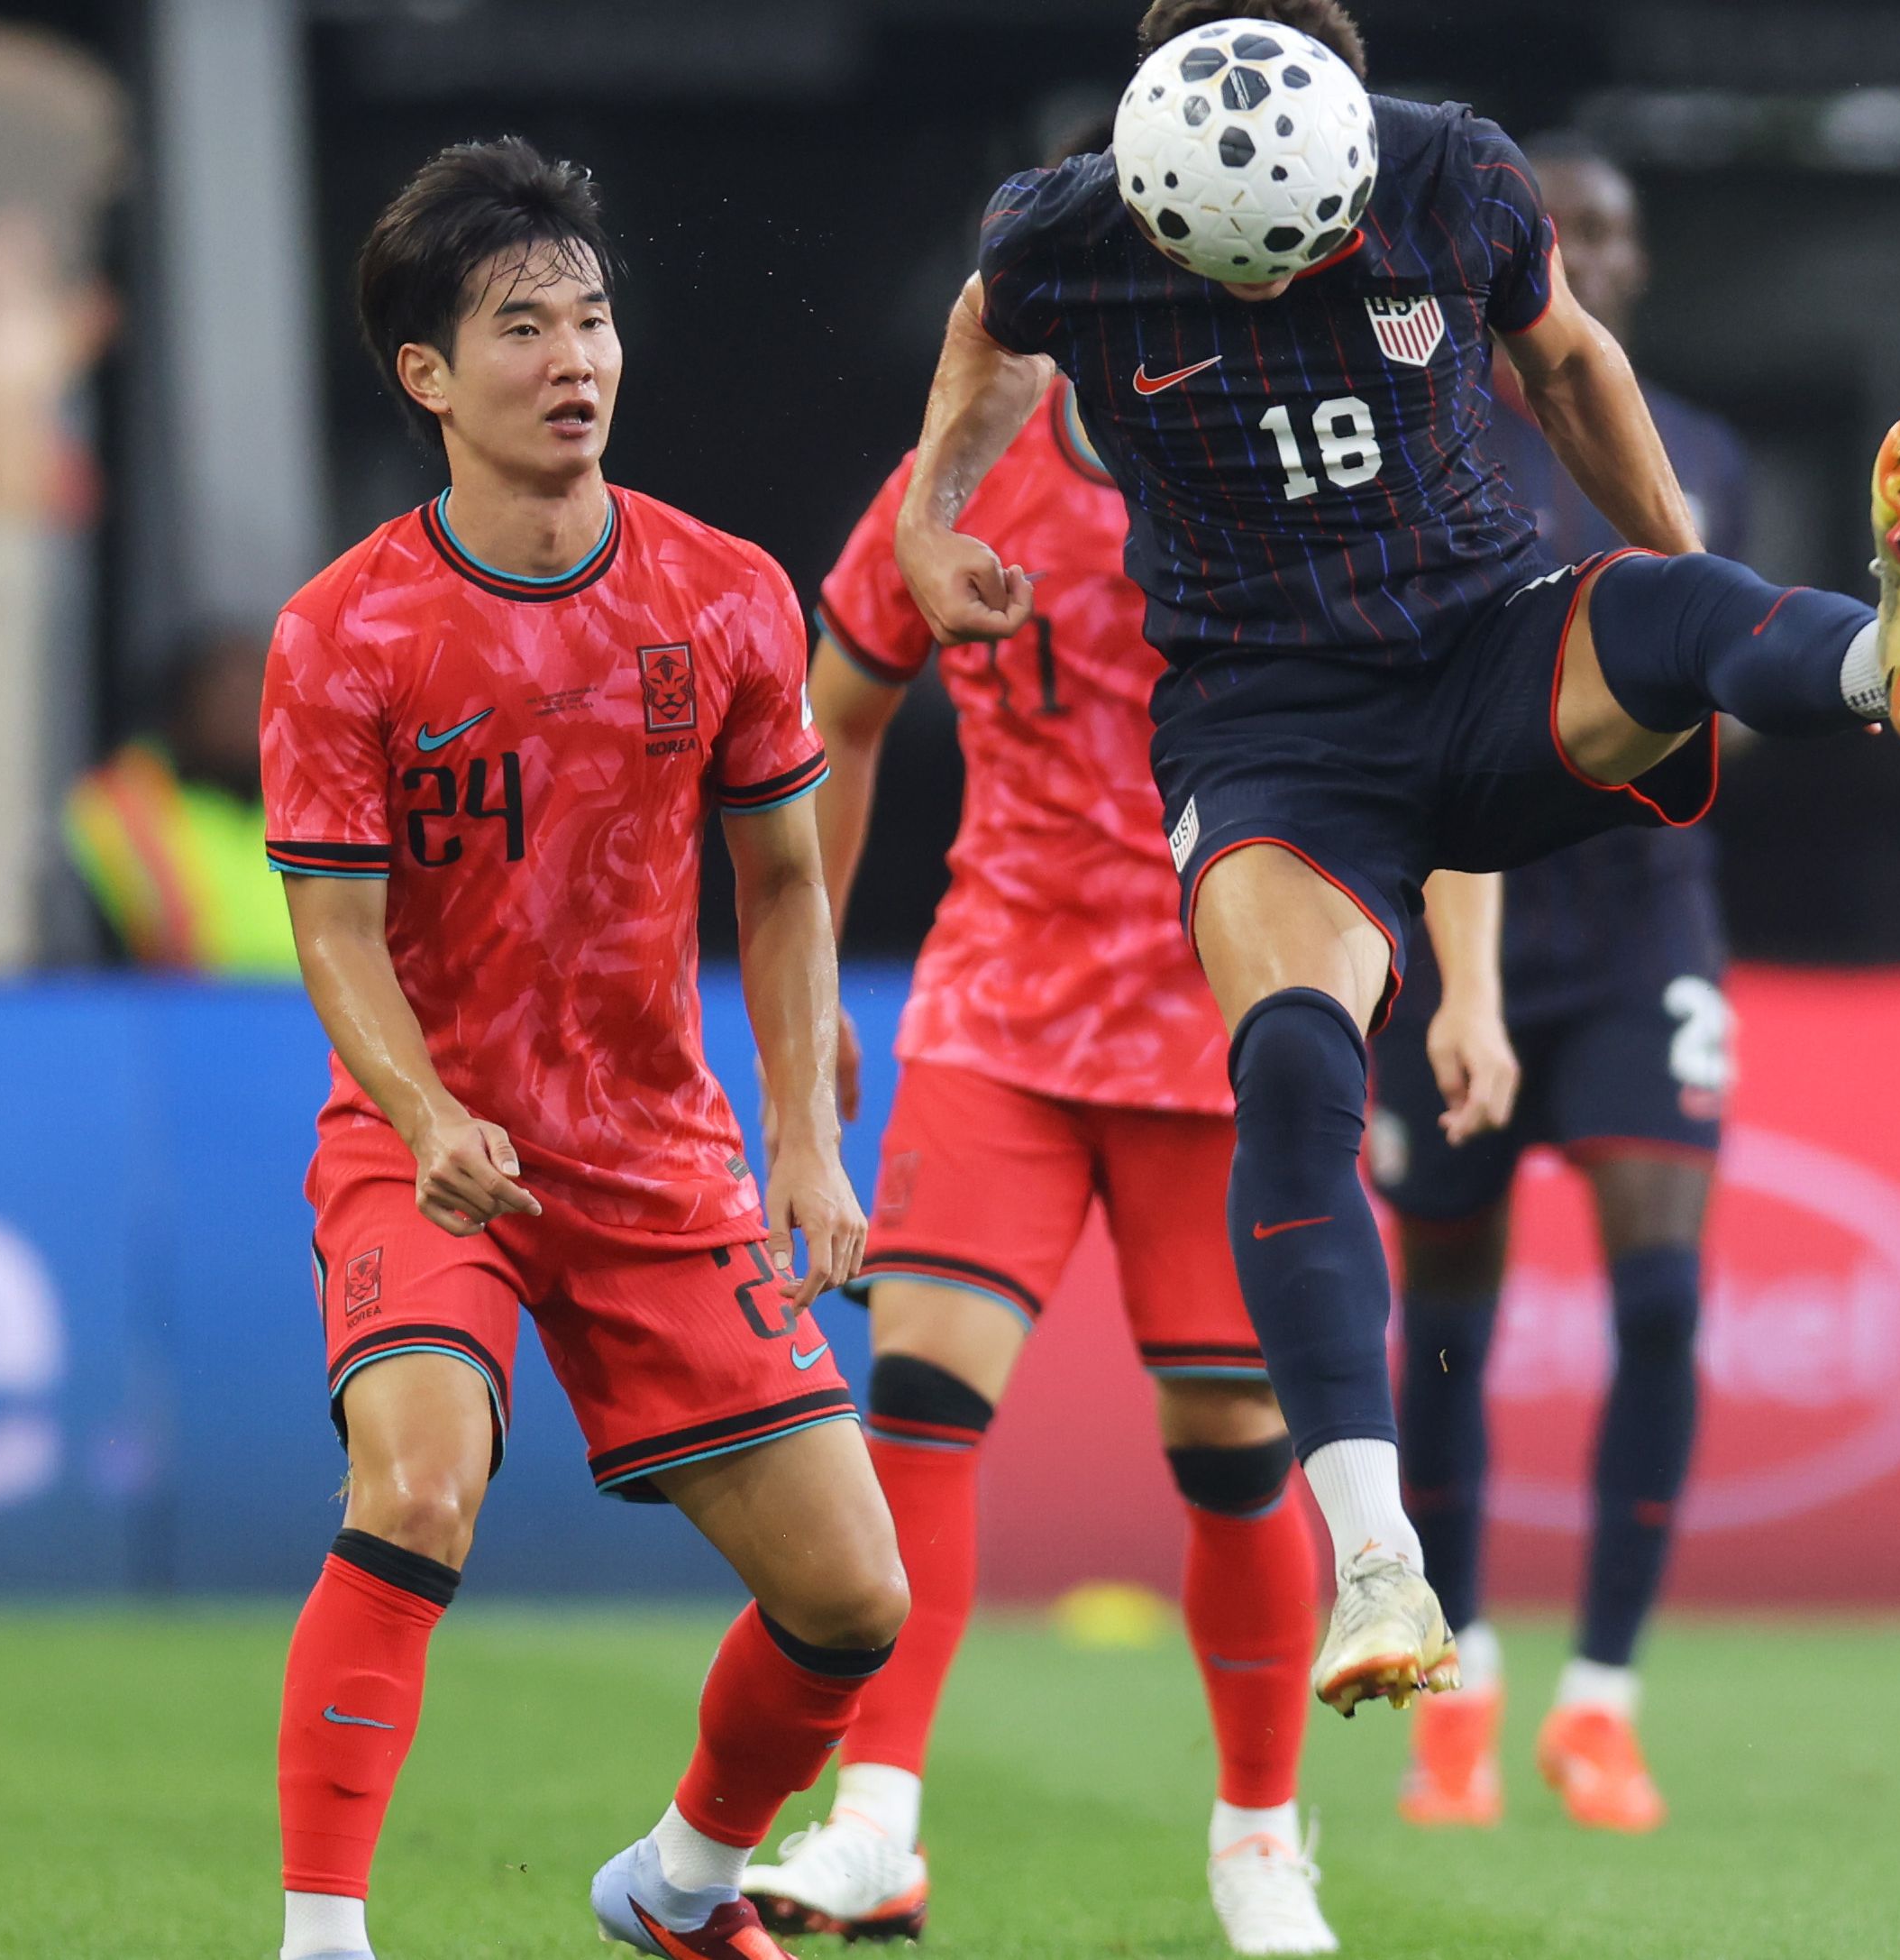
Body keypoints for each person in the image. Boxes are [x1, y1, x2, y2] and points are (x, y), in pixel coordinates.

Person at [893, 0, 1900, 1717]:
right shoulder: (1058, 229)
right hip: (1267, 726)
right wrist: (926, 514)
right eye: (1225, 269)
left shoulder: (1452, 170)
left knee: (1667, 603)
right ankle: (1376, 1556)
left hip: (1478, 646)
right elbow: (978, 337)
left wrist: (1669, 595)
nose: (1266, 290)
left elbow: (1566, 367)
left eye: (1303, 256)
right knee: (1286, 1065)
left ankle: (1880, 669)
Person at [742, 361, 1486, 1950]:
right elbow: (837, 715)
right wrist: (805, 1002)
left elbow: (1442, 727)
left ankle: (1257, 1838)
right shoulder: (957, 467)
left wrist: (1462, 984)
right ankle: (874, 1814)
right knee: (922, 1391)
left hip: (1222, 1018)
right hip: (998, 1002)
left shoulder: (1294, 475)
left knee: (1227, 1445)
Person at [260, 138, 904, 1960]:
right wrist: (420, 1106)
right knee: (417, 1479)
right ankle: (323, 1936)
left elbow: (783, 887)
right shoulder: (344, 631)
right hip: (426, 1136)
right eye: (522, 324)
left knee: (854, 1601)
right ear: (427, 375)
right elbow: (333, 926)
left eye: (593, 316)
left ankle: (686, 1884)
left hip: (650, 1149)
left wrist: (804, 1139)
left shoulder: (723, 597)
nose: (574, 356)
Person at [1374, 137, 1750, 1836]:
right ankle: (1450, 1686)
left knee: (1661, 1300)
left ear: (1642, 262)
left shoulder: (1709, 460)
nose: (1580, 254)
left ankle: (1599, 1702)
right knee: (1442, 1328)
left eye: (1607, 228)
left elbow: (1730, 686)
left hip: (1642, 930)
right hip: (1460, 916)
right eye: (1555, 229)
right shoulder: (1423, 446)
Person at [69, 628, 297, 975]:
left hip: (315, 1017)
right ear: (183, 709)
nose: (249, 715)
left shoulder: (322, 803)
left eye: (264, 694)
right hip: (177, 1016)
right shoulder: (128, 806)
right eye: (227, 697)